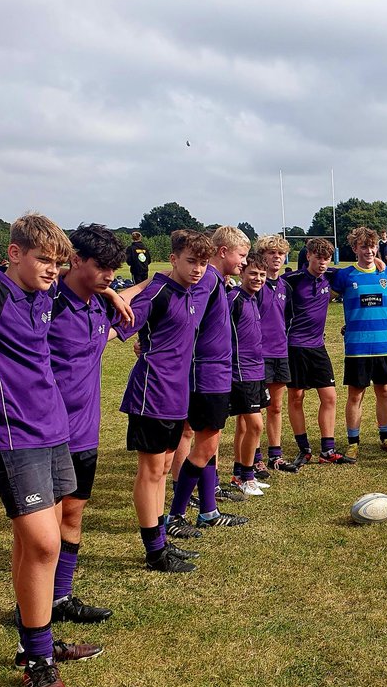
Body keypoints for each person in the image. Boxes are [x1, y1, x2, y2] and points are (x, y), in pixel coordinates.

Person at [0, 213, 94, 687]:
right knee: (44, 545)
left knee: (34, 545)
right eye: (42, 259)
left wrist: (109, 292)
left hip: (53, 430)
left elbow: (84, 285)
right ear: (13, 253)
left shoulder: (46, 295)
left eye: (56, 262)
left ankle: (36, 639)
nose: (50, 269)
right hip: (12, 436)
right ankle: (36, 657)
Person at [48, 224, 132, 624]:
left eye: (114, 269)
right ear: (75, 259)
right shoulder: (44, 302)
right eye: (102, 267)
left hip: (85, 432)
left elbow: (143, 297)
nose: (110, 275)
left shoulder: (101, 303)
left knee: (74, 515)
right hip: (43, 434)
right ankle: (33, 606)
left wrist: (112, 292)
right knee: (41, 529)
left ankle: (61, 597)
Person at [120, 229, 216, 576]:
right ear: (173, 259)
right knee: (151, 471)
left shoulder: (195, 289)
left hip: (179, 394)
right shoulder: (158, 291)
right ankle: (154, 552)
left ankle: (161, 540)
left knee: (163, 470)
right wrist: (138, 288)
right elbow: (122, 323)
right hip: (151, 393)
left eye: (203, 263)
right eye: (191, 261)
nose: (197, 269)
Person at [165, 226, 251, 537]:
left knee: (208, 444)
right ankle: (174, 516)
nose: (244, 261)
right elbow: (187, 318)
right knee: (206, 445)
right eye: (241, 255)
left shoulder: (216, 280)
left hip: (214, 372)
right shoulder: (210, 279)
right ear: (224, 252)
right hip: (206, 374)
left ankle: (208, 510)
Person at [331, 227, 387, 458]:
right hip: (357, 346)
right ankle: (353, 441)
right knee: (355, 394)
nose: (369, 251)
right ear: (354, 249)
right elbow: (323, 294)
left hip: (384, 344)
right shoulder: (345, 275)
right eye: (364, 246)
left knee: (384, 391)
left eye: (372, 247)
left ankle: (386, 439)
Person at [283, 237, 352, 467]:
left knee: (330, 396)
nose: (322, 262)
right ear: (309, 256)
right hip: (294, 346)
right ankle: (304, 449)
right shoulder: (291, 280)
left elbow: (356, 270)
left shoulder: (330, 276)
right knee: (296, 397)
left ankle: (328, 449)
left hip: (317, 347)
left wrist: (381, 264)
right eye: (318, 257)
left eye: (327, 258)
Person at [253, 234, 296, 473]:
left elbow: (287, 318)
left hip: (280, 353)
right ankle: (255, 457)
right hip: (258, 354)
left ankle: (275, 456)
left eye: (280, 253)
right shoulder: (255, 285)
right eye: (271, 253)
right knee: (254, 409)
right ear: (262, 256)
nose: (277, 257)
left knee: (276, 407)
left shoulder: (285, 286)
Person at [229, 251, 269, 495]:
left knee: (245, 426)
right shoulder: (234, 298)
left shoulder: (254, 298)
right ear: (241, 272)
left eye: (262, 275)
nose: (258, 278)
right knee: (256, 426)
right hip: (239, 371)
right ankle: (247, 476)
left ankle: (238, 474)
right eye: (253, 273)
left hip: (256, 369)